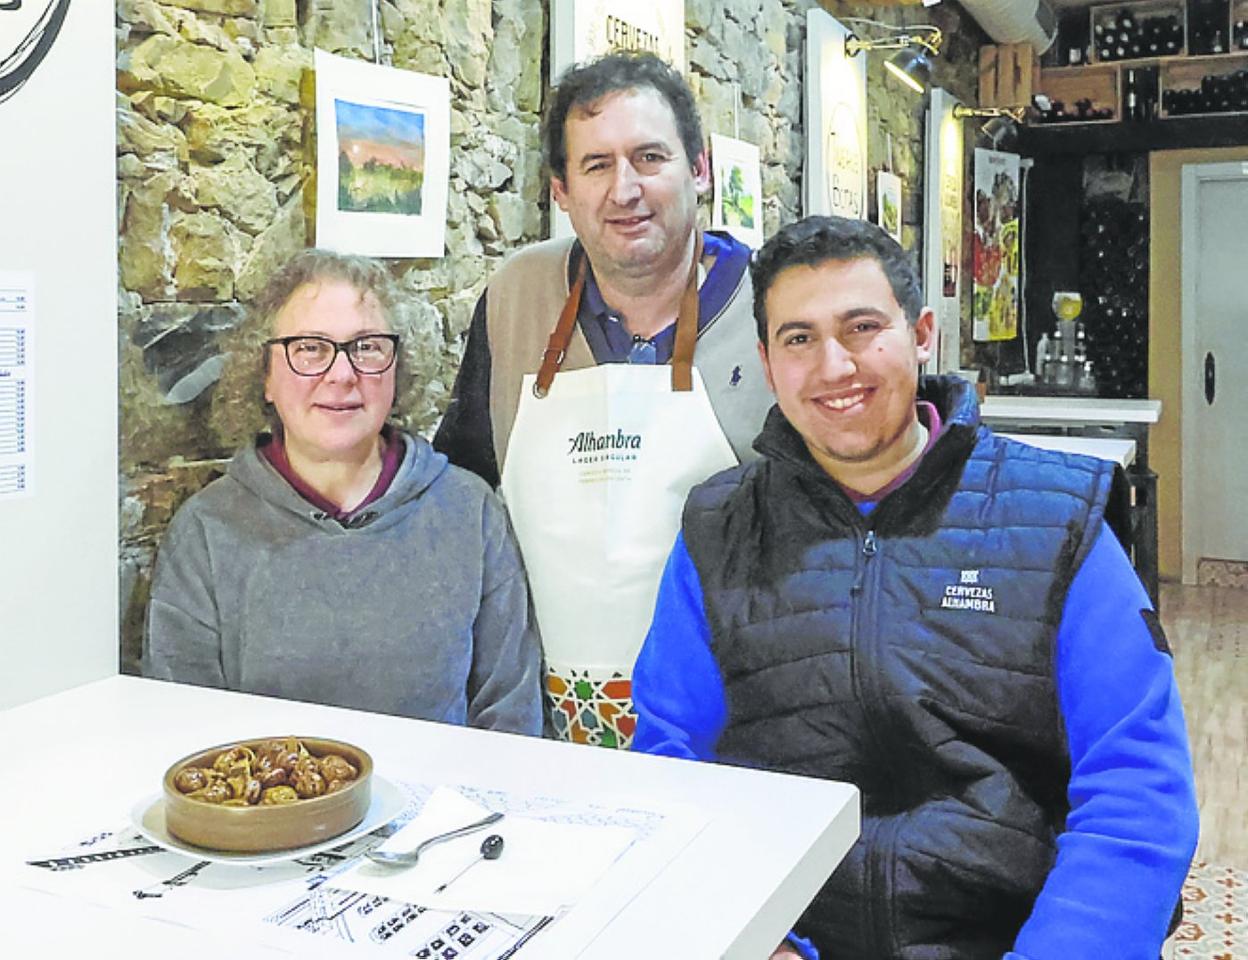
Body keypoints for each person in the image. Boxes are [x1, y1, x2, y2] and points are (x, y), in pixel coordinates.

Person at [632, 216, 1198, 959]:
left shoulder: (1058, 519)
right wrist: (758, 938)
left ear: (921, 334)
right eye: (799, 338)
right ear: (767, 363)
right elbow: (671, 764)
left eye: (862, 327)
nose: (834, 366)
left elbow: (1136, 793)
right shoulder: (719, 528)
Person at [434, 52, 773, 747]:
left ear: (699, 169)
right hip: (543, 727)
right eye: (596, 165)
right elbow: (462, 491)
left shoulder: (772, 305)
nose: (626, 189)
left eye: (649, 157)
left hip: (741, 725)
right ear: (562, 191)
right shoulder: (516, 298)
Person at [144, 249, 542, 735]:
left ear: (397, 369)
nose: (341, 374)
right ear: (265, 375)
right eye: (310, 348)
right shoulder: (207, 531)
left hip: (445, 788)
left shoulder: (469, 512)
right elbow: (183, 732)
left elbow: (510, 716)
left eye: (367, 347)